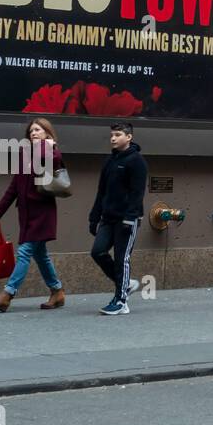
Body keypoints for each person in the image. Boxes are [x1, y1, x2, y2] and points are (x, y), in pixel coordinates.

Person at [0, 118, 67, 313]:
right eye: (31, 131)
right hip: (27, 214)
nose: (33, 133)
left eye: (38, 130)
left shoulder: (51, 152)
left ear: (47, 133)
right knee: (40, 255)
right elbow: (14, 186)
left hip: (43, 214)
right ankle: (57, 292)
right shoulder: (24, 154)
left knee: (24, 252)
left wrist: (46, 146)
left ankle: (7, 295)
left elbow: (54, 164)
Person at [88, 121, 148, 315]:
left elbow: (137, 193)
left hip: (127, 219)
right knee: (98, 252)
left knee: (122, 259)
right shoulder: (110, 161)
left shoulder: (137, 161)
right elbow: (101, 191)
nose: (113, 138)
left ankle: (121, 300)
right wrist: (94, 217)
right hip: (108, 217)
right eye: (112, 135)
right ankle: (126, 284)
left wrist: (130, 218)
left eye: (118, 135)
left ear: (129, 137)